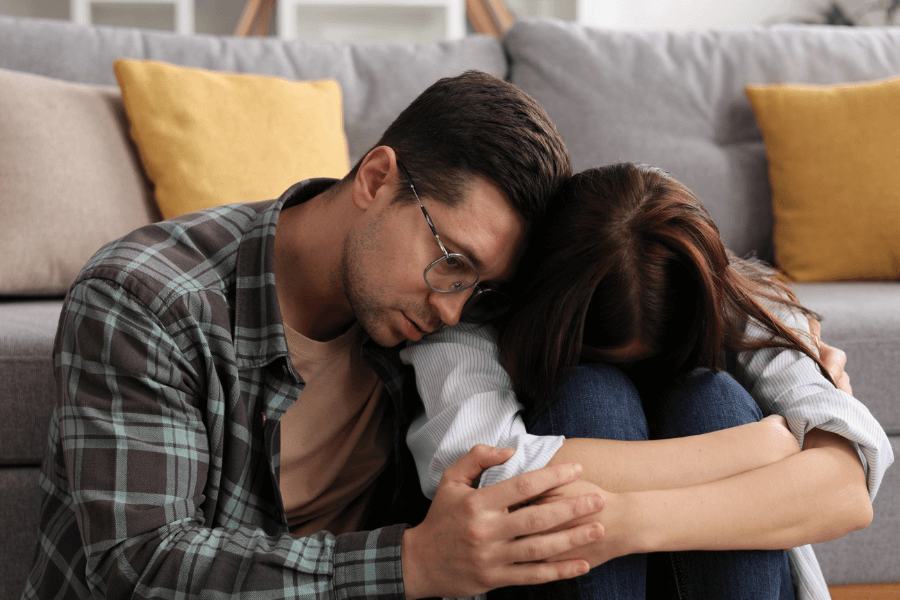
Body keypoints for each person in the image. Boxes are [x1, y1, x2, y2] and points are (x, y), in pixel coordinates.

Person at [21, 71, 614, 600]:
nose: (453, 312)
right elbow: (143, 568)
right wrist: (412, 564)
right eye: (452, 262)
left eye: (480, 288)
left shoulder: (431, 317)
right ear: (376, 179)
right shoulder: (144, 300)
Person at [402, 162, 893, 599]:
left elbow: (846, 488)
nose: (638, 387)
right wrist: (764, 448)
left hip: (656, 553)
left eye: (651, 365)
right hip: (563, 568)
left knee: (710, 399)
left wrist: (629, 523)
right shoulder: (473, 319)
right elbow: (480, 471)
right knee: (593, 397)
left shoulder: (738, 301)